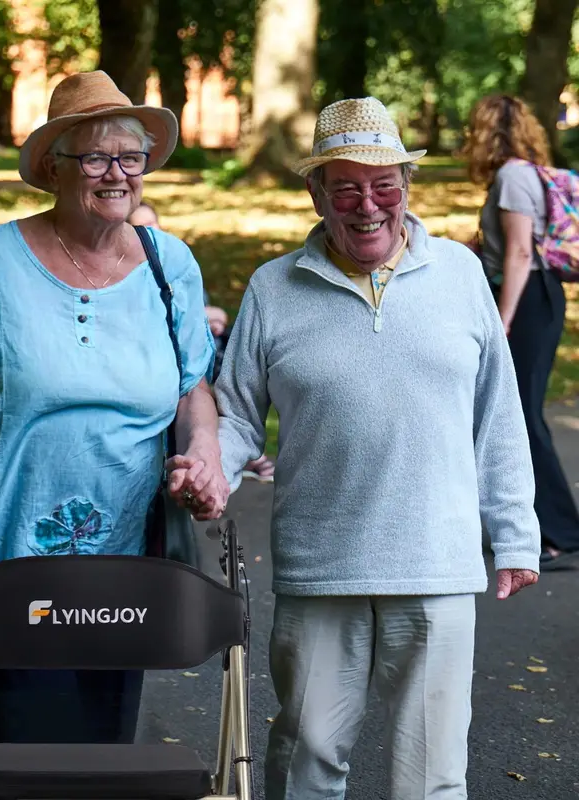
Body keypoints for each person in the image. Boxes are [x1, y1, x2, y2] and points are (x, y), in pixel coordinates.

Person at [177, 97, 541, 799]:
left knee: (431, 773)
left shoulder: (462, 277)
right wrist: (209, 463)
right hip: (322, 564)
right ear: (316, 193)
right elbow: (240, 413)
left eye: (383, 185)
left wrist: (516, 535)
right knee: (307, 753)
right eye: (344, 186)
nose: (366, 204)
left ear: (407, 187)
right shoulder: (274, 288)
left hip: (436, 559)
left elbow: (498, 414)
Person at [0, 70, 228, 747]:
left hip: (129, 557)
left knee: (104, 748)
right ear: (55, 167)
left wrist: (204, 451)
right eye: (96, 157)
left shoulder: (171, 264)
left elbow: (191, 385)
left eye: (131, 157)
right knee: (25, 749)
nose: (118, 173)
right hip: (14, 552)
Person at [464, 94, 579, 570]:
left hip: (527, 299)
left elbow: (519, 254)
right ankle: (535, 526)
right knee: (515, 414)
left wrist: (503, 320)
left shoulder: (512, 176)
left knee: (524, 416)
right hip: (531, 296)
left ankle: (559, 534)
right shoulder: (518, 175)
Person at [128, 201, 276, 482]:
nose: (149, 232)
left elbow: (204, 315)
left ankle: (231, 455)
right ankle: (238, 457)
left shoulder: (174, 267)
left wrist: (212, 318)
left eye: (152, 224)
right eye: (139, 227)